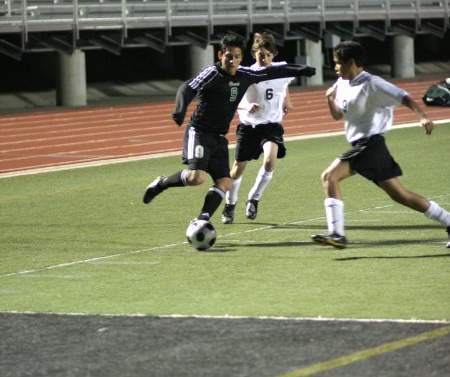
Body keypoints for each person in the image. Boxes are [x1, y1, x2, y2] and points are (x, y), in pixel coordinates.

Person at [142, 33, 316, 225]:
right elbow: (187, 87)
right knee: (196, 178)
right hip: (199, 131)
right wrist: (180, 110)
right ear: (220, 55)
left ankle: (202, 220)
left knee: (225, 183)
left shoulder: (244, 75)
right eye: (228, 56)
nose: (232, 60)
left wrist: (303, 70)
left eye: (236, 56)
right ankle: (162, 183)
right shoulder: (212, 73)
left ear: (241, 58)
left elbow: (272, 72)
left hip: (219, 138)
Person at [312, 40, 450, 249]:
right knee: (400, 196)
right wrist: (330, 100)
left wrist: (422, 117)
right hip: (368, 147)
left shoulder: (372, 83)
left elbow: (403, 96)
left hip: (370, 144)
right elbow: (337, 115)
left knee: (329, 176)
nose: (335, 67)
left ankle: (338, 234)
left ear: (351, 62)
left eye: (338, 63)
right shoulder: (342, 83)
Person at [222, 32, 295, 224]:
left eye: (268, 55)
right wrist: (247, 106)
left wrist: (286, 99)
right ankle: (230, 204)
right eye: (261, 55)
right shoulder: (246, 74)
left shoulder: (281, 70)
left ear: (273, 55)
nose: (265, 59)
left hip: (270, 126)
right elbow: (232, 100)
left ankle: (253, 199)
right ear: (254, 53)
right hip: (248, 127)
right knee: (237, 170)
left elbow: (284, 83)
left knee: (270, 161)